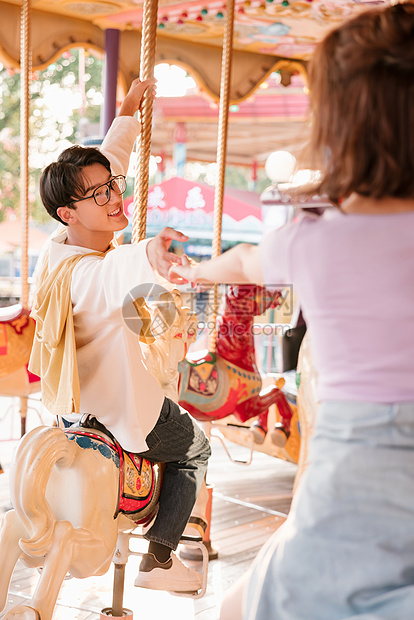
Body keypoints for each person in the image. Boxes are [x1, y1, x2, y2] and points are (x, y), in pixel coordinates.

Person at [169, 3, 414, 618]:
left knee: (250, 605)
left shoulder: (312, 236)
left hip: (354, 458)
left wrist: (195, 270)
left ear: (341, 125)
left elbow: (246, 262)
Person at [29, 78, 211, 594]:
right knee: (194, 446)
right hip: (120, 406)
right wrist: (152, 250)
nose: (114, 197)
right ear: (69, 211)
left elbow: (108, 163)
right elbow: (116, 278)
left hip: (74, 406)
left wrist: (127, 112)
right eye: (100, 193)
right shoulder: (89, 275)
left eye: (114, 187)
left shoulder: (60, 246)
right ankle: (161, 557)